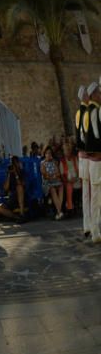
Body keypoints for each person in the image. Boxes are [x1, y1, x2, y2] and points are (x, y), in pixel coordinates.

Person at [83, 81, 101, 244]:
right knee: (95, 197)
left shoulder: (86, 111)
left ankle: (94, 229)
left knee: (94, 196)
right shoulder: (95, 110)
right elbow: (96, 134)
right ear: (94, 95)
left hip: (91, 159)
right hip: (97, 159)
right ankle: (96, 231)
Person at [75, 85, 91, 238]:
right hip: (89, 157)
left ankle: (88, 225)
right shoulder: (86, 112)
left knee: (87, 193)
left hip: (82, 157)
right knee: (91, 193)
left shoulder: (79, 113)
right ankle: (92, 225)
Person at [0, 156, 26, 222]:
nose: (15, 165)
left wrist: (16, 173)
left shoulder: (22, 172)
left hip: (22, 197)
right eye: (13, 164)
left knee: (19, 187)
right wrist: (9, 174)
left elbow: (22, 184)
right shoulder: (10, 174)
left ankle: (22, 213)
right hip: (13, 197)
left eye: (16, 163)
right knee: (1, 209)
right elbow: (5, 188)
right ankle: (17, 217)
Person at [41, 146, 64, 220]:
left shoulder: (55, 162)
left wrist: (53, 176)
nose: (48, 155)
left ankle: (58, 212)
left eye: (50, 153)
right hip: (47, 183)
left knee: (61, 187)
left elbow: (58, 173)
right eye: (47, 153)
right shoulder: (42, 163)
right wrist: (53, 176)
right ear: (44, 154)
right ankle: (59, 211)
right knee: (52, 189)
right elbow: (45, 175)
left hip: (55, 181)